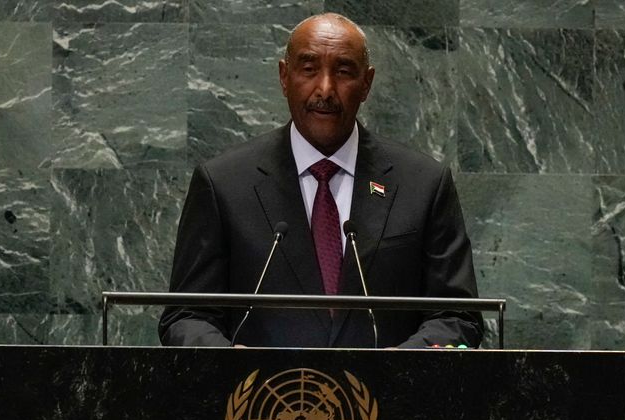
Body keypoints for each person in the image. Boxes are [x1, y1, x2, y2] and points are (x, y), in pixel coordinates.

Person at [158, 13, 483, 348]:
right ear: (285, 77)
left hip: (389, 396)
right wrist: (233, 364)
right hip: (263, 397)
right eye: (309, 68)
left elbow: (457, 316)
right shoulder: (223, 184)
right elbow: (187, 316)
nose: (325, 89)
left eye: (343, 71)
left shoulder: (423, 185)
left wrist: (394, 369)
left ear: (367, 83)